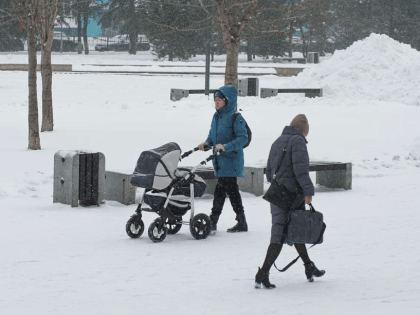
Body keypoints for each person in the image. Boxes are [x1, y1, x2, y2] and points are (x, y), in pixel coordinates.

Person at [255, 114, 325, 289]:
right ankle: (262, 273)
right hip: (291, 195)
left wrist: (279, 184)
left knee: (294, 228)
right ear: (303, 131)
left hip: (277, 193)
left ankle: (309, 267)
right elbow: (301, 170)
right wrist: (308, 192)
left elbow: (269, 171)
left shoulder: (278, 141)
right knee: (279, 235)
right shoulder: (298, 141)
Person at [198, 85, 248, 235]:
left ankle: (213, 221)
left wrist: (226, 147)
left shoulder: (236, 117)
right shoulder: (217, 116)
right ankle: (241, 221)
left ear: (228, 100)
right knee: (232, 191)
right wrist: (207, 144)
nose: (217, 102)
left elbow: (243, 139)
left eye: (220, 99)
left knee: (221, 190)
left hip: (231, 161)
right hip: (220, 162)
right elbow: (213, 137)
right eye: (216, 99)